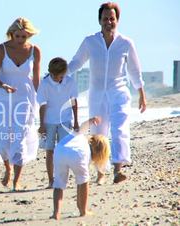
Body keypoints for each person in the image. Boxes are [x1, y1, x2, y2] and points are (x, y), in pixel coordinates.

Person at [67, 2, 146, 184]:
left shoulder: (126, 43)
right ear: (99, 20)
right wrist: (60, 74)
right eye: (105, 19)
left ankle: (118, 169)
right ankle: (101, 173)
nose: (108, 22)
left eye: (112, 19)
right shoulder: (90, 42)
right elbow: (77, 62)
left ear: (117, 20)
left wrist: (141, 93)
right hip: (96, 94)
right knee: (98, 133)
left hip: (119, 93)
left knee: (120, 129)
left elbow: (134, 70)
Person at [0, 17, 41, 191]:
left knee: (20, 138)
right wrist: (3, 85)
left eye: (24, 37)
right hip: (2, 98)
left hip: (25, 98)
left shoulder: (35, 51)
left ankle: (17, 180)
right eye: (17, 36)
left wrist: (42, 101)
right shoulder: (1, 49)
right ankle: (7, 169)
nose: (20, 40)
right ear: (12, 33)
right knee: (2, 137)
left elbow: (36, 80)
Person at [51, 117, 110, 220]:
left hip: (59, 150)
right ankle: (83, 210)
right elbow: (81, 183)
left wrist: (91, 121)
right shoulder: (86, 150)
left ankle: (56, 213)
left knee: (59, 183)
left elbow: (83, 125)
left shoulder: (80, 135)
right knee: (83, 181)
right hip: (78, 153)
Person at [37, 57, 79, 189]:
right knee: (50, 151)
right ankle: (51, 180)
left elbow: (73, 101)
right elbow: (42, 105)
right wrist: (42, 124)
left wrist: (76, 121)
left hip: (65, 120)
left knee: (64, 151)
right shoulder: (44, 83)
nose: (60, 79)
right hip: (49, 121)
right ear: (51, 73)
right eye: (58, 76)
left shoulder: (70, 81)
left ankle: (62, 180)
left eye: (62, 76)